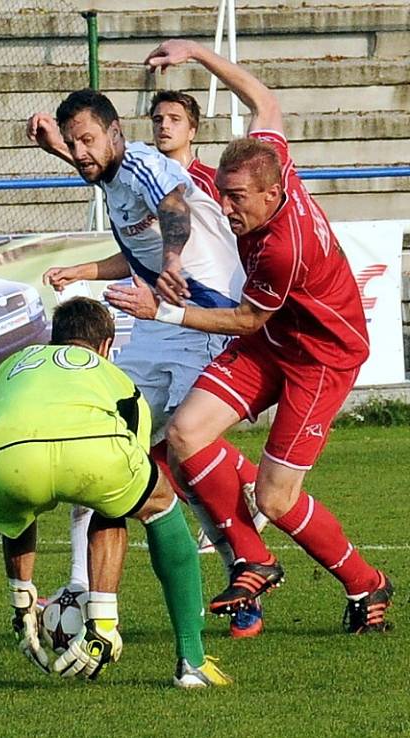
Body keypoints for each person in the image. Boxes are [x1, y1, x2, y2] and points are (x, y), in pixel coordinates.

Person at [105, 38, 393, 634]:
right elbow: (263, 100)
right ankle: (252, 559)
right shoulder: (270, 161)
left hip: (320, 358)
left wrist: (160, 311)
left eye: (236, 200)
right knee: (184, 434)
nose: (228, 209)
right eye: (225, 195)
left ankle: (367, 584)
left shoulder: (283, 249)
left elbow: (242, 321)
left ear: (269, 195)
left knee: (276, 499)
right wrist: (199, 54)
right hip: (275, 340)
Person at [0, 297, 232, 700]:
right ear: (106, 346)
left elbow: (16, 509)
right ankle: (187, 660)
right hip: (98, 457)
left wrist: (23, 602)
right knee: (155, 504)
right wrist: (103, 612)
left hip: (10, 459)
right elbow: (123, 475)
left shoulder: (14, 366)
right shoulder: (114, 375)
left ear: (51, 341)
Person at [26, 89, 266, 637]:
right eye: (75, 142)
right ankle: (80, 588)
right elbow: (129, 227)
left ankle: (244, 568)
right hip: (157, 330)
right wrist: (59, 152)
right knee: (98, 443)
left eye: (88, 139)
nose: (82, 151)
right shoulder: (112, 176)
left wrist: (176, 259)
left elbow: (173, 207)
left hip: (201, 323)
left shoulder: (144, 164)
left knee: (188, 460)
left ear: (115, 132)